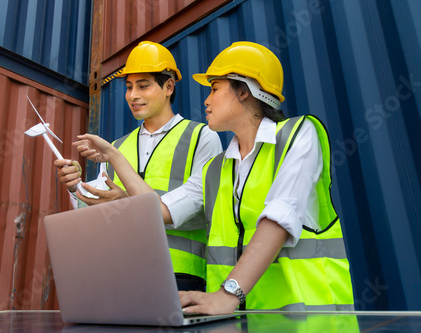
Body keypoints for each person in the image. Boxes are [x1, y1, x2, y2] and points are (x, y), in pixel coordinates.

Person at [75, 41, 355, 314]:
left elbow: (279, 218)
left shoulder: (298, 135)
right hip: (241, 320)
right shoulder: (215, 169)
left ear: (244, 91)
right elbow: (158, 209)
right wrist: (113, 156)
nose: (206, 101)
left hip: (308, 318)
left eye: (215, 89)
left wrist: (227, 294)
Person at [54, 41, 223, 292]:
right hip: (123, 270)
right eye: (129, 87)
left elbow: (202, 209)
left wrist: (127, 204)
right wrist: (75, 185)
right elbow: (97, 209)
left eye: (143, 86)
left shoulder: (202, 137)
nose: (133, 95)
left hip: (180, 274)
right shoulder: (118, 146)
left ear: (168, 86)